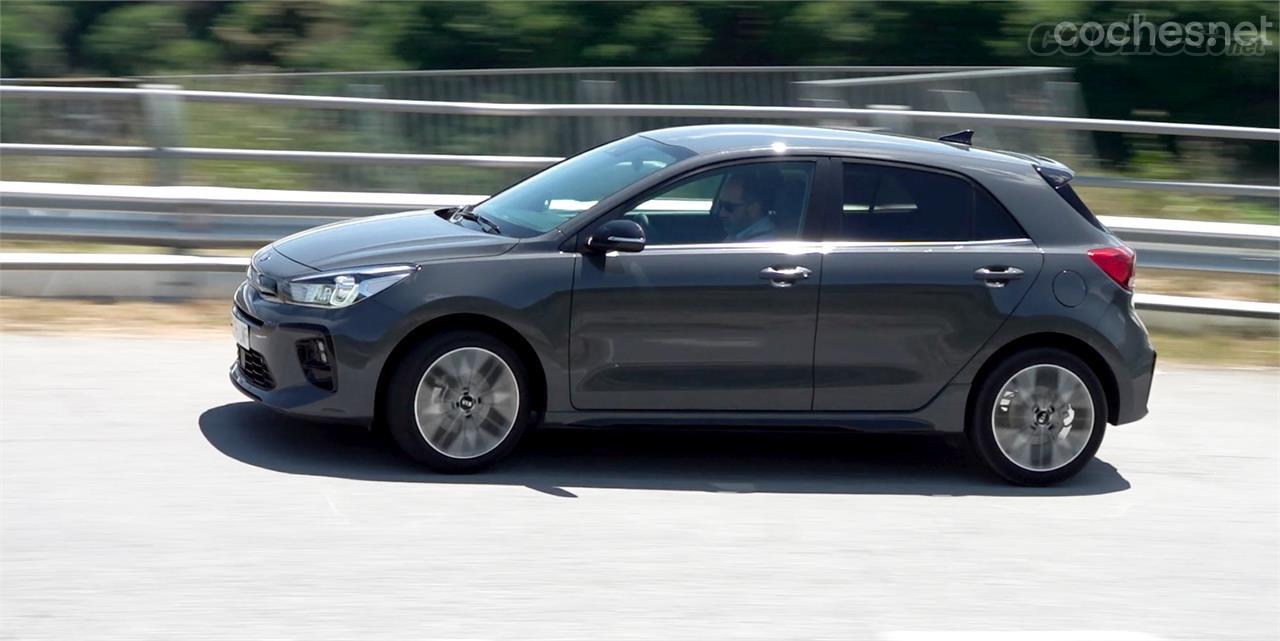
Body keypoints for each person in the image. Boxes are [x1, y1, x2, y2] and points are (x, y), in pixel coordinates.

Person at [717, 172, 778, 242]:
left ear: (753, 209)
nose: (721, 213)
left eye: (728, 207)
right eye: (720, 204)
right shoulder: (739, 234)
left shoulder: (760, 243)